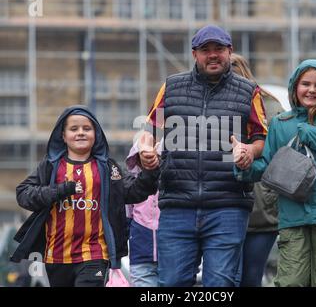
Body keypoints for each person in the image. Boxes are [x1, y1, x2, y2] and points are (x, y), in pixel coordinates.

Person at [139, 25, 268, 287]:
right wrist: (147, 150)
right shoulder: (171, 87)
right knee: (173, 283)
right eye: (205, 50)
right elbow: (150, 128)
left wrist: (248, 152)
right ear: (194, 54)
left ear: (229, 52)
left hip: (228, 205)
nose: (212, 55)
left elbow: (261, 137)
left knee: (220, 284)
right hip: (177, 204)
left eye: (218, 49)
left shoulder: (249, 91)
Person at [234, 59, 316, 287]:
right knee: (291, 282)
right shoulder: (281, 123)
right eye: (305, 84)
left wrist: (312, 134)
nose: (311, 90)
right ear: (295, 87)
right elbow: (267, 167)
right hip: (292, 220)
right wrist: (244, 167)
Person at [10, 105, 159, 287]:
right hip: (57, 257)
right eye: (74, 129)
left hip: (95, 254)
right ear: (63, 136)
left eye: (87, 129)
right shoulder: (50, 166)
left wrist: (151, 170)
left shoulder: (108, 167)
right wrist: (60, 190)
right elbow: (23, 193)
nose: (81, 133)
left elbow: (135, 191)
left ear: (95, 134)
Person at [230, 53, 284, 287]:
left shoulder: (268, 105)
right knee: (233, 277)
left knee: (249, 277)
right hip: (226, 204)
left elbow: (281, 153)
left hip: (260, 207)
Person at [125, 142, 160, 287]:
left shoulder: (171, 183)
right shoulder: (131, 185)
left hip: (171, 252)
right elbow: (126, 218)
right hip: (140, 253)